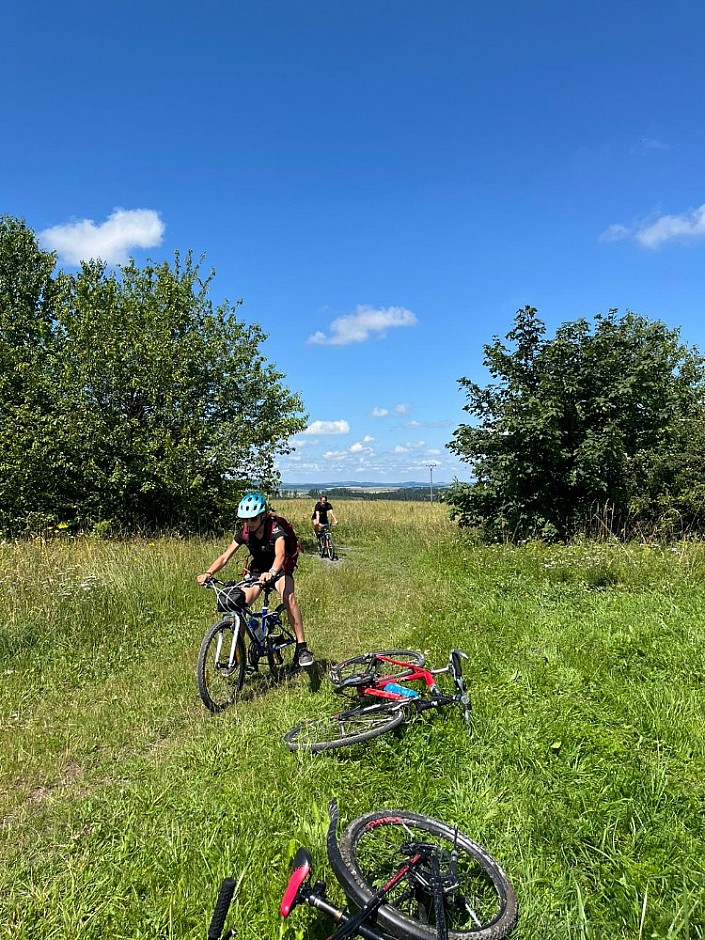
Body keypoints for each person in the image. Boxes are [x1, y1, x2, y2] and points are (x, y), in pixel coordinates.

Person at [197, 492, 313, 668]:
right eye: (245, 520)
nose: (248, 524)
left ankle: (302, 647)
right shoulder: (244, 532)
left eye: (252, 519)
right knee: (239, 603)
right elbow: (225, 557)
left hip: (280, 568)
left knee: (288, 597)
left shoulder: (274, 529)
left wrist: (273, 572)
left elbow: (280, 554)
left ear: (262, 516)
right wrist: (208, 572)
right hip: (258, 571)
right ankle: (239, 654)